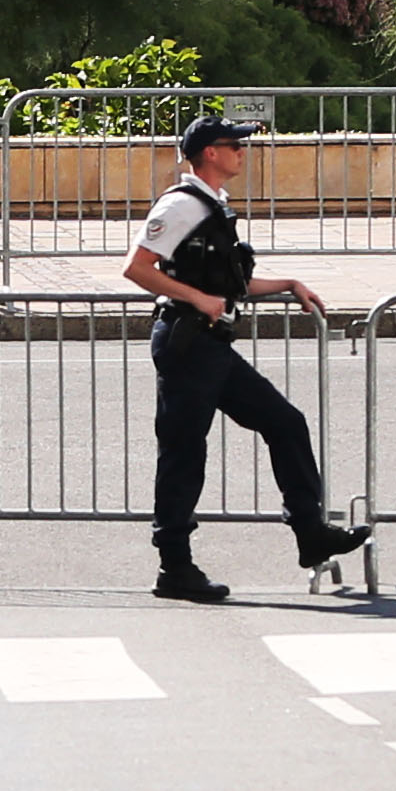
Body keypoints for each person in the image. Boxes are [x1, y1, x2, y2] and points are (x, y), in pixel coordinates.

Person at [118, 113, 362, 604]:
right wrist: (197, 299)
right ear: (210, 152)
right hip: (187, 342)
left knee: (285, 423)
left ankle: (311, 533)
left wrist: (289, 284)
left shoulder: (213, 205)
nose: (242, 153)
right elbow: (136, 268)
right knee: (185, 454)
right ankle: (175, 567)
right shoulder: (181, 205)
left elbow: (227, 282)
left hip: (211, 343)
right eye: (234, 145)